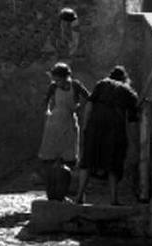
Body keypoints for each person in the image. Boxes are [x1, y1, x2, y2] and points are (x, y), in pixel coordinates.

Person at [75, 65, 139, 206]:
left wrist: (86, 127)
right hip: (114, 128)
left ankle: (79, 196)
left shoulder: (101, 84)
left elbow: (89, 106)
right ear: (125, 79)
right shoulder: (128, 92)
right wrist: (134, 143)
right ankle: (113, 199)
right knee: (114, 163)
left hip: (95, 126)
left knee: (88, 161)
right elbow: (133, 119)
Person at [36, 62, 89, 199]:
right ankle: (52, 192)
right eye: (55, 80)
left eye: (59, 79)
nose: (57, 82)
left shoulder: (75, 85)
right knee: (50, 158)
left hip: (69, 122)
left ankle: (64, 191)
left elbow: (89, 97)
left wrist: (81, 107)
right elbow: (45, 102)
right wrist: (47, 112)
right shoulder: (53, 87)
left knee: (69, 158)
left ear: (66, 77)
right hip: (54, 123)